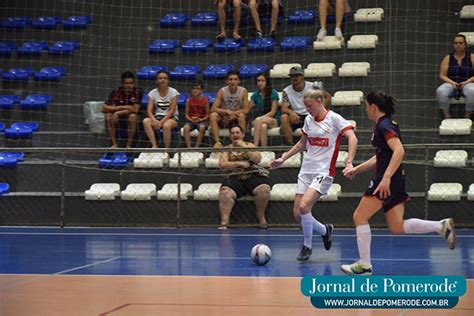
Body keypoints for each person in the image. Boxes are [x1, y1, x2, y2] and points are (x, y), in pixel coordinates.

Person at [340, 91, 456, 276]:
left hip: (386, 181)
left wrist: (385, 177)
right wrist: (356, 169)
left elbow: (399, 151)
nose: (366, 110)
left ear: (373, 107)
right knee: (397, 226)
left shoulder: (383, 126)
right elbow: (381, 156)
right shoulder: (386, 125)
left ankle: (364, 265)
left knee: (359, 217)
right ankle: (440, 226)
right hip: (395, 179)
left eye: (366, 106)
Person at [270, 89, 358, 261]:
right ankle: (325, 231)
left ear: (320, 100)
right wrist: (282, 159)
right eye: (305, 106)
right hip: (306, 170)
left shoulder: (334, 119)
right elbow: (302, 143)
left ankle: (307, 247)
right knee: (298, 214)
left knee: (304, 208)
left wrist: (349, 161)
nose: (307, 110)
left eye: (309, 106)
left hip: (323, 171)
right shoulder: (309, 120)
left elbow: (352, 138)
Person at [218, 125, 271, 229]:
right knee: (225, 192)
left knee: (264, 189)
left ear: (242, 135)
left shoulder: (249, 145)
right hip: (234, 178)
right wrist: (239, 163)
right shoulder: (226, 149)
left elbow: (257, 159)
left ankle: (261, 217)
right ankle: (224, 222)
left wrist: (242, 146)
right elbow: (222, 165)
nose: (235, 135)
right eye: (232, 133)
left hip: (252, 176)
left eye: (237, 132)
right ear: (230, 136)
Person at [436, 34, 474, 119]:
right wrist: (452, 83)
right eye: (456, 43)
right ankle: (447, 115)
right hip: (451, 83)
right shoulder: (448, 58)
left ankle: (468, 115)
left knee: (472, 90)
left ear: (465, 44)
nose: (458, 45)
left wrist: (466, 82)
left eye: (460, 43)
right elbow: (442, 75)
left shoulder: (472, 57)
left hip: (468, 83)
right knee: (441, 91)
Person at [102, 71, 143, 148]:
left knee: (132, 117)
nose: (129, 86)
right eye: (126, 83)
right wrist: (123, 108)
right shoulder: (116, 91)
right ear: (122, 83)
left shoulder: (138, 91)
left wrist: (117, 113)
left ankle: (128, 145)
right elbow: (104, 108)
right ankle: (114, 144)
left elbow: (135, 110)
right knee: (107, 116)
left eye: (131, 83)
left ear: (134, 83)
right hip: (117, 118)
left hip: (132, 117)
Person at [210, 70, 250, 148]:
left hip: (236, 118)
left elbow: (246, 110)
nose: (233, 81)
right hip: (224, 118)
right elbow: (213, 108)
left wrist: (233, 114)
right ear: (227, 81)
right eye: (230, 79)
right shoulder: (222, 91)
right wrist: (226, 111)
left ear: (239, 81)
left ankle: (241, 142)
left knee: (242, 116)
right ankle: (217, 142)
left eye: (235, 79)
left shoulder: (243, 91)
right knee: (213, 115)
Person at [142, 70, 179, 148]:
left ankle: (166, 149)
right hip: (157, 117)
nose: (162, 80)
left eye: (165, 78)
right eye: (160, 78)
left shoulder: (174, 92)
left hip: (171, 118)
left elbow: (171, 111)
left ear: (168, 80)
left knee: (166, 125)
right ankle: (154, 145)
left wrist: (161, 122)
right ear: (156, 81)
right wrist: (154, 121)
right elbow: (149, 111)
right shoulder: (152, 93)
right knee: (146, 121)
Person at [279, 66, 314, 145]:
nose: (294, 78)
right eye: (292, 76)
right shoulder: (286, 91)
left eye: (297, 76)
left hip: (310, 114)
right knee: (284, 117)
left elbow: (327, 96)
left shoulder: (312, 86)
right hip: (297, 117)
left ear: (302, 76)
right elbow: (284, 109)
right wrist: (291, 112)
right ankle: (290, 145)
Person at [250, 72, 279, 147]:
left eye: (263, 81)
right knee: (263, 126)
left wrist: (260, 119)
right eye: (258, 81)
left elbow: (273, 112)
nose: (260, 83)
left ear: (267, 82)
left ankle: (255, 146)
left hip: (273, 120)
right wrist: (250, 105)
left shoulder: (273, 93)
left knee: (258, 120)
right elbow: (248, 109)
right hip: (261, 122)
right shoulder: (255, 95)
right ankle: (264, 148)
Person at [183, 81, 210, 148]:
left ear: (201, 90)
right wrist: (191, 119)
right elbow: (186, 114)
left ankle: (197, 147)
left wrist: (200, 119)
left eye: (198, 88)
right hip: (191, 120)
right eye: (193, 88)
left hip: (202, 121)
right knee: (185, 128)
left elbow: (207, 115)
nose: (195, 90)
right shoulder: (188, 100)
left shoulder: (205, 100)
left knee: (202, 127)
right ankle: (189, 147)